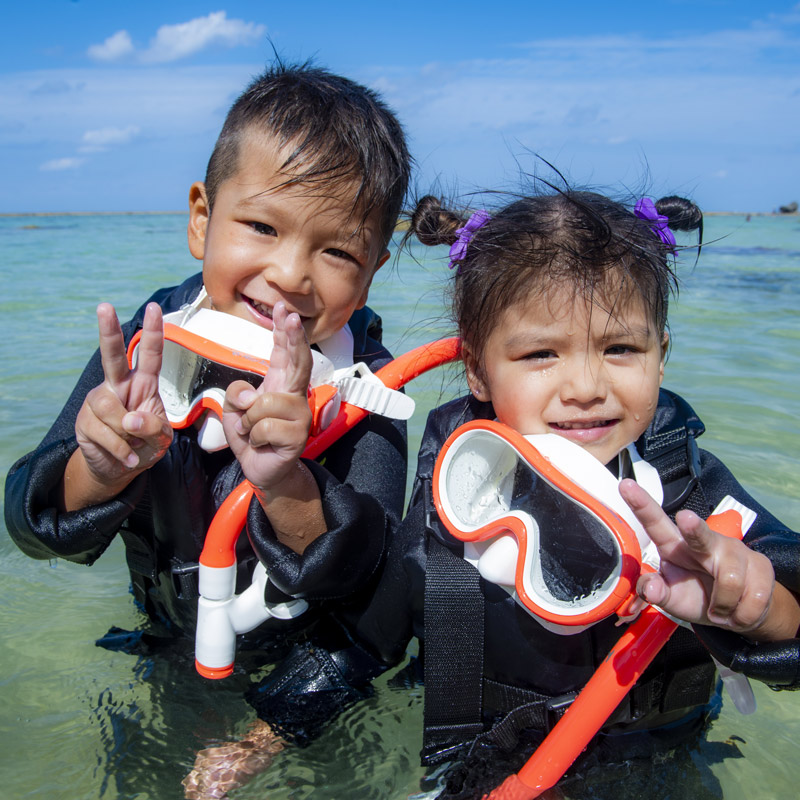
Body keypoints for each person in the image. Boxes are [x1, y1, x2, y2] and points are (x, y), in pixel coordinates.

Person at [242, 189, 800, 799]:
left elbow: (792, 612)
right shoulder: (455, 502)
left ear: (661, 356)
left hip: (657, 762)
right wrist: (260, 738)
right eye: (540, 353)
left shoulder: (691, 496)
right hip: (481, 765)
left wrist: (760, 608)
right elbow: (361, 644)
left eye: (620, 349)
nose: (586, 387)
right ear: (479, 368)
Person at [4, 61, 411, 795]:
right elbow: (34, 529)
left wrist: (286, 479)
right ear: (202, 218)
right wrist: (102, 466)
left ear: (375, 269)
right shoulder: (154, 341)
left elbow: (370, 590)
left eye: (338, 251)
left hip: (306, 679)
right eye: (260, 226)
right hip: (171, 646)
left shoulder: (365, 390)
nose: (290, 273)